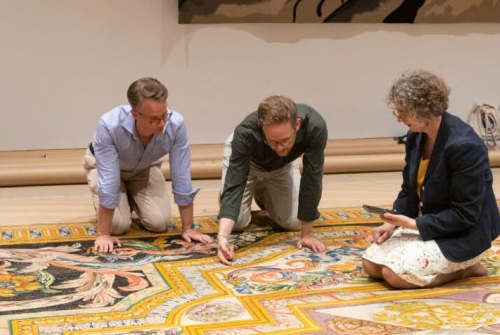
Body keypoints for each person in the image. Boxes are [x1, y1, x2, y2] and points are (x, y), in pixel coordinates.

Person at [362, 69, 500, 289]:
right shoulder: (415, 137)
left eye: (403, 111)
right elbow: (409, 190)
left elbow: (466, 214)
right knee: (370, 265)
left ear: (422, 110)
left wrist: (414, 224)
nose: (399, 117)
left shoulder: (464, 145)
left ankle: (467, 269)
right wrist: (391, 223)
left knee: (394, 275)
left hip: (464, 234)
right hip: (432, 225)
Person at [84, 77, 212, 252]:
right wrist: (103, 234)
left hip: (144, 167)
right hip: (105, 167)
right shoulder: (109, 125)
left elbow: (181, 173)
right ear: (135, 114)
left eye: (164, 115)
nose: (162, 124)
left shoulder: (176, 124)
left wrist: (188, 227)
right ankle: (124, 200)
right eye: (154, 119)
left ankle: (130, 197)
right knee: (117, 226)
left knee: (160, 223)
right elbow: (109, 180)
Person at [216, 95, 328, 264]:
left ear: (297, 125)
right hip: (248, 163)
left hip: (282, 165)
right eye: (273, 142)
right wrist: (223, 237)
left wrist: (307, 235)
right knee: (237, 222)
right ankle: (228, 195)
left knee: (294, 222)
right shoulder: (245, 132)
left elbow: (312, 177)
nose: (280, 147)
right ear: (262, 128)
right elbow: (235, 182)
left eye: (285, 140)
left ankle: (262, 192)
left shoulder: (315, 126)